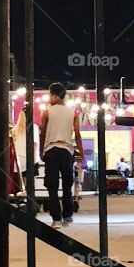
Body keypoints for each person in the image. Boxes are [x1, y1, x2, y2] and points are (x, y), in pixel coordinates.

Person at [39, 82, 84, 225]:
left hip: (51, 150)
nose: (49, 98)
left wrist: (41, 151)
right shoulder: (73, 113)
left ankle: (56, 218)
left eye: (50, 95)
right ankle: (67, 215)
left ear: (56, 95)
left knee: (52, 185)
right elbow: (77, 135)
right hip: (66, 151)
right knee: (67, 184)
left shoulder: (47, 113)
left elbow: (43, 134)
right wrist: (81, 153)